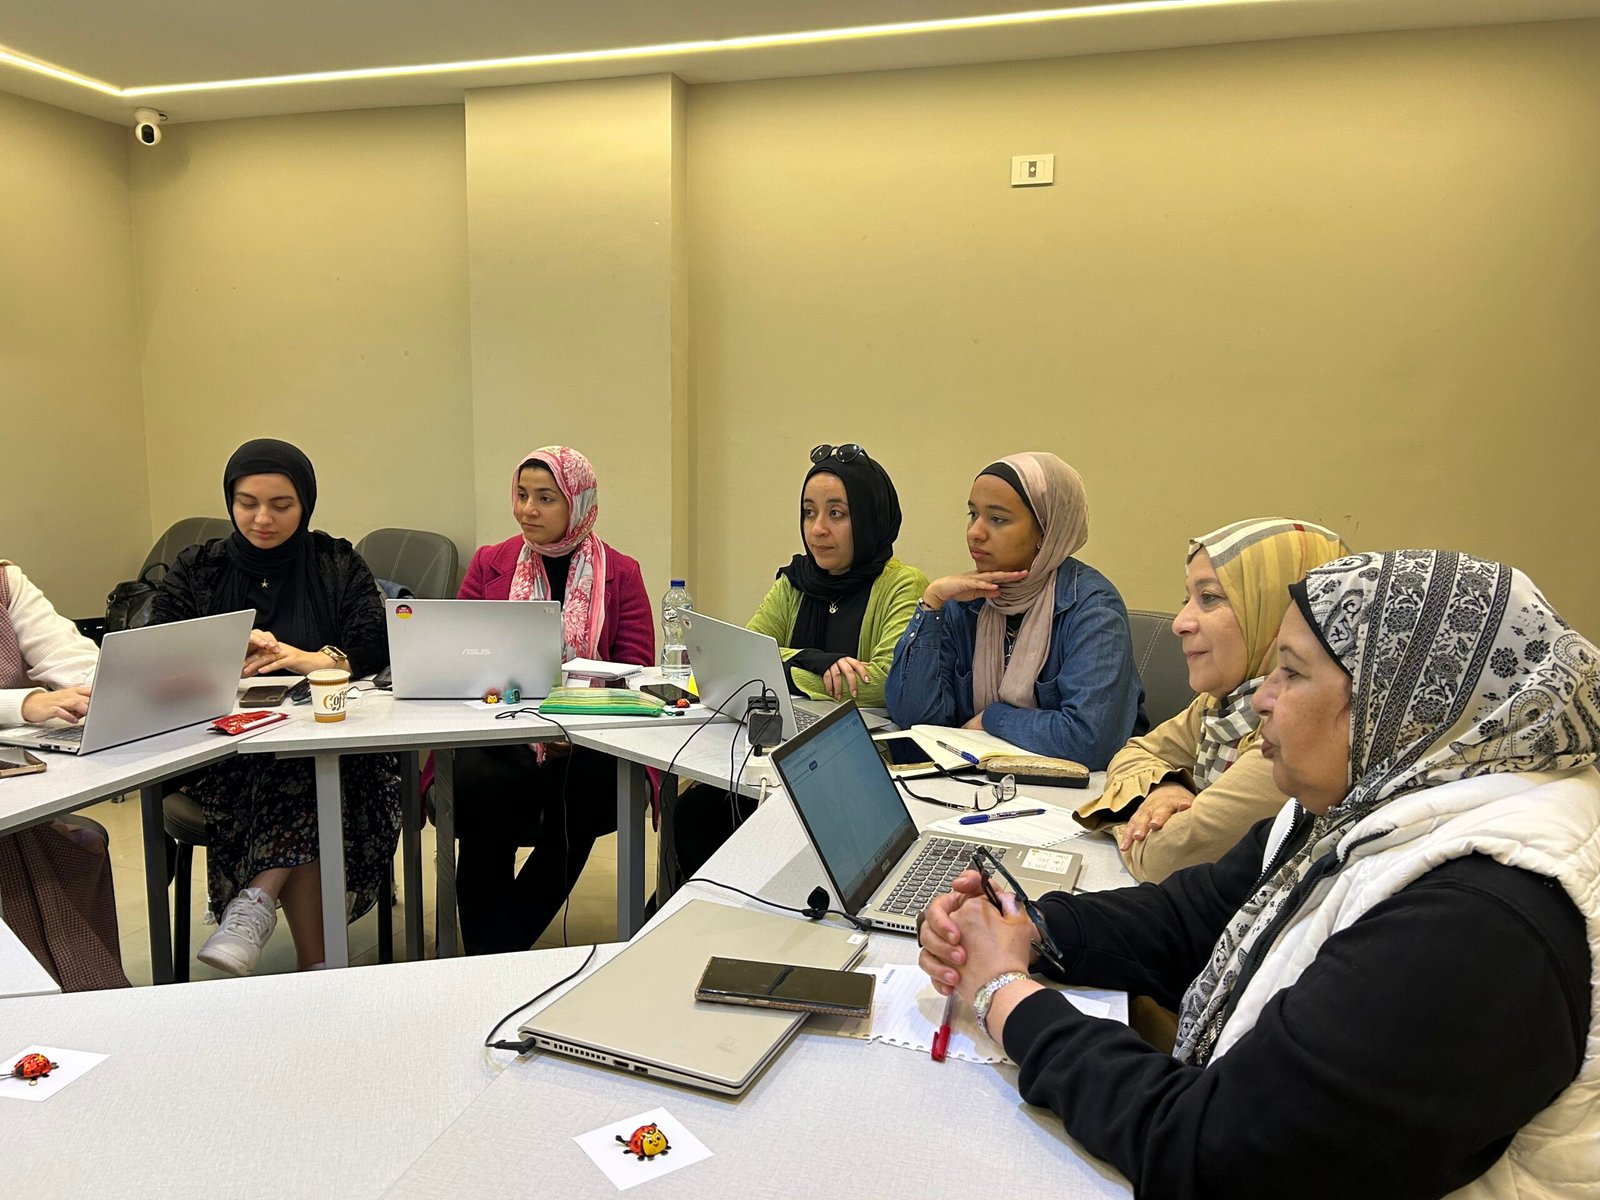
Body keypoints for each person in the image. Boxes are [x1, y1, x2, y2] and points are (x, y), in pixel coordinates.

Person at [919, 549, 1600, 1198]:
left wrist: (1005, 996)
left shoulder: (1481, 919)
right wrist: (1028, 927)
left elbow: (1219, 1155)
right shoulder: (1362, 800)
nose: (1262, 699)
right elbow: (1191, 918)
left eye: (1292, 674)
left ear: (1403, 706)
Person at [150, 439, 400, 976]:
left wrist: (313, 659)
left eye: (281, 505)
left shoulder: (335, 561)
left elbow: (376, 640)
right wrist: (221, 655)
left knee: (306, 766)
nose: (262, 519)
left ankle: (256, 905)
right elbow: (154, 647)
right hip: (223, 752)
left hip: (331, 742)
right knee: (302, 777)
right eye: (247, 503)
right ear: (230, 501)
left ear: (305, 503)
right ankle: (317, 963)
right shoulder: (199, 567)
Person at [670, 444, 928, 881]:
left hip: (856, 763)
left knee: (723, 821)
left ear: (870, 517)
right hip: (785, 749)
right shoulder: (795, 581)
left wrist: (786, 668)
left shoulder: (903, 585)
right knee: (696, 812)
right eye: (809, 513)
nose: (818, 529)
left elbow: (883, 682)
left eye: (837, 514)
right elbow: (747, 656)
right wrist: (819, 662)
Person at [449, 447, 653, 954]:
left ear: (577, 503)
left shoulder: (621, 572)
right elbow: (459, 656)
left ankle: (493, 953)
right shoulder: (489, 563)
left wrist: (575, 728)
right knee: (482, 786)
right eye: (522, 495)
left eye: (545, 498)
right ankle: (490, 954)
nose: (527, 510)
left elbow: (636, 673)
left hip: (588, 738)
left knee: (586, 789)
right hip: (499, 729)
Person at [1077, 517, 1350, 882]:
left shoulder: (1300, 726)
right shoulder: (1218, 703)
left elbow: (1167, 857)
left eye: (1209, 598)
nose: (1180, 623)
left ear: (1278, 609)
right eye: (1187, 598)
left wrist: (1123, 813)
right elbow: (1137, 751)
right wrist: (1164, 788)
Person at [885, 452, 1144, 767]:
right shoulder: (967, 600)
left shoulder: (1092, 607)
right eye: (972, 514)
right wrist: (932, 604)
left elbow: (1088, 740)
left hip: (1078, 789)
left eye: (998, 519)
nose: (975, 532)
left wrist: (993, 718)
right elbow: (916, 719)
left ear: (1045, 531)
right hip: (982, 780)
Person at [0, 560, 129, 990]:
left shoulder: (5, 582)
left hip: (17, 795)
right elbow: (28, 704)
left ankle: (77, 997)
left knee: (74, 848)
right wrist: (23, 704)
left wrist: (115, 685)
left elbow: (74, 662)